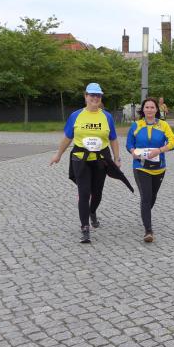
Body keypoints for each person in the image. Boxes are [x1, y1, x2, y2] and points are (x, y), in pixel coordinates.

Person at [50, 83, 121, 244]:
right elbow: (68, 137)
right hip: (80, 159)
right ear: (86, 96)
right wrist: (58, 154)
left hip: (101, 159)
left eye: (98, 95)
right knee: (84, 192)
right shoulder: (76, 116)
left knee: (97, 193)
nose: (95, 98)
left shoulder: (107, 117)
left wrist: (117, 158)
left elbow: (113, 139)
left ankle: (92, 211)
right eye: (92, 95)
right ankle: (85, 227)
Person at [126, 97, 174, 242]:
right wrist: (132, 151)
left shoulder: (163, 125)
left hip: (159, 167)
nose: (149, 110)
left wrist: (159, 150)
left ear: (156, 110)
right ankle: (148, 231)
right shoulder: (136, 125)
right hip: (140, 166)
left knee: (152, 197)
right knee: (146, 197)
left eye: (152, 107)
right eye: (146, 107)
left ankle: (145, 213)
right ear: (143, 109)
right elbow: (129, 144)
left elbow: (173, 142)